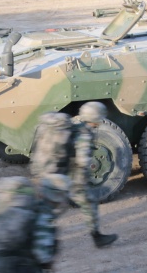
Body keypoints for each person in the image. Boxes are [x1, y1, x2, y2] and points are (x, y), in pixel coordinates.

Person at [30, 103, 118, 248]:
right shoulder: (85, 134)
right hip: (66, 179)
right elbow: (83, 162)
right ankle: (97, 237)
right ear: (96, 119)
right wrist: (82, 180)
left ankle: (35, 238)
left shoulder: (73, 127)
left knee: (51, 209)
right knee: (82, 204)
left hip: (50, 174)